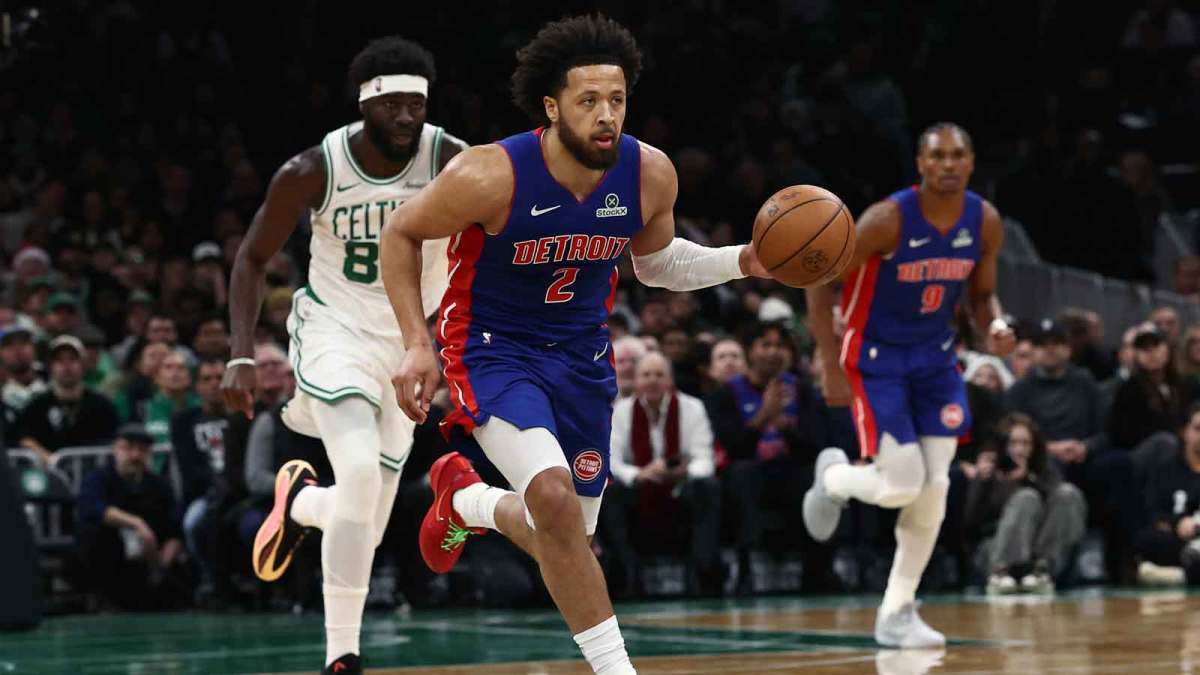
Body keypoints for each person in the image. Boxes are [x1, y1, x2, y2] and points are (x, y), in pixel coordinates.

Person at [381, 15, 767, 674]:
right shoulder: (490, 174)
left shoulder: (648, 173)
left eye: (616, 99)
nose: (606, 114)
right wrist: (416, 343)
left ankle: (468, 499)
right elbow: (400, 233)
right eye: (589, 100)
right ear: (553, 106)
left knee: (570, 536)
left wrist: (747, 259)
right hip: (492, 346)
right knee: (555, 501)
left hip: (583, 354)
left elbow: (655, 264)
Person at [221, 37, 466, 674]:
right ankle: (342, 657)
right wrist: (241, 354)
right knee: (357, 475)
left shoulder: (453, 160)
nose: (408, 118)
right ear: (365, 107)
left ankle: (301, 503)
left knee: (366, 518)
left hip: (410, 342)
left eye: (418, 104)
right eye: (394, 107)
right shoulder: (313, 168)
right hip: (335, 330)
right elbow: (251, 259)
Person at [802, 123, 1016, 648]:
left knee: (936, 487)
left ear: (970, 162)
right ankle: (834, 479)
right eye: (937, 156)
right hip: (876, 359)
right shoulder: (886, 220)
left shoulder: (984, 221)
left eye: (958, 155)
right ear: (920, 163)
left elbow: (982, 295)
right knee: (902, 484)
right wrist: (830, 364)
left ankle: (897, 610)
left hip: (937, 361)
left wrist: (996, 326)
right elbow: (817, 279)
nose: (948, 164)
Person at [603, 352, 720, 596]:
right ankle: (627, 573)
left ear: (670, 380)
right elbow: (611, 461)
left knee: (708, 487)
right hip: (639, 490)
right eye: (646, 375)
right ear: (635, 381)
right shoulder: (620, 411)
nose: (653, 380)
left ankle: (703, 571)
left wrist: (683, 471)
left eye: (659, 374)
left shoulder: (692, 407)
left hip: (680, 490)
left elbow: (705, 461)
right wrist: (640, 474)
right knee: (610, 492)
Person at [965, 413, 1086, 595]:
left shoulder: (1044, 469)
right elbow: (971, 521)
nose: (1019, 449)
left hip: (1038, 550)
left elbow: (1061, 511)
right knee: (1026, 497)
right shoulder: (989, 471)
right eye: (1013, 443)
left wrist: (1029, 478)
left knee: (1068, 493)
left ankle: (1041, 570)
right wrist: (986, 482)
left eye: (1025, 443)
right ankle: (1003, 571)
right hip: (995, 550)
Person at [75, 423, 187, 609]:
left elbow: (174, 528)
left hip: (148, 563)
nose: (135, 456)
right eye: (128, 448)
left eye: (142, 450)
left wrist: (162, 563)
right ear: (116, 450)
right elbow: (92, 508)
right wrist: (136, 524)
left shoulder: (159, 485)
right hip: (109, 558)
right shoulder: (98, 478)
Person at [16, 335, 118, 465]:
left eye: (72, 359)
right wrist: (52, 461)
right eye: (59, 360)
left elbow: (115, 439)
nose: (66, 366)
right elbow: (26, 439)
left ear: (83, 365)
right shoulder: (37, 405)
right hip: (50, 477)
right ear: (50, 367)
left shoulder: (102, 404)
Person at [1136, 403, 1200, 586]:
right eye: (1198, 428)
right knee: (1149, 538)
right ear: (1185, 431)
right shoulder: (1165, 469)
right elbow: (1153, 512)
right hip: (1178, 540)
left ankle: (1179, 577)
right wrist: (1177, 523)